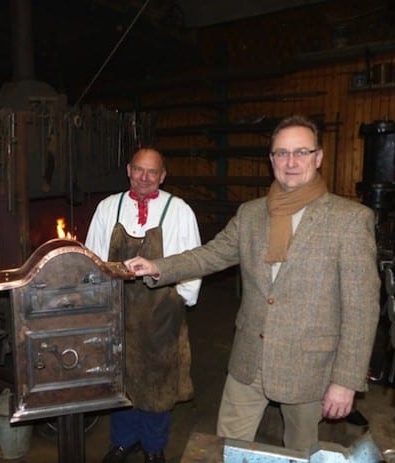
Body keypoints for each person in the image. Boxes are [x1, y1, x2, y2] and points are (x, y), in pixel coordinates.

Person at [124, 115, 380, 450]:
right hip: (249, 358)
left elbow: (361, 309)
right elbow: (210, 255)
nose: (291, 162)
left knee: (301, 451)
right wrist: (157, 266)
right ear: (271, 159)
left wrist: (346, 381)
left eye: (301, 152)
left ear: (318, 158)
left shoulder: (349, 220)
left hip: (308, 365)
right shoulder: (251, 214)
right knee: (227, 446)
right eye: (281, 153)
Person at [85, 147, 202, 463]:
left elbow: (193, 260)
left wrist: (182, 299)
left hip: (160, 314)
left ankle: (153, 446)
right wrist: (95, 303)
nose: (145, 177)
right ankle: (123, 441)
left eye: (153, 172)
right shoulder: (109, 208)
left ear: (163, 176)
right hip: (117, 312)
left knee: (157, 383)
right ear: (128, 170)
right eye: (139, 169)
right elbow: (92, 255)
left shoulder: (179, 212)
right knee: (119, 380)